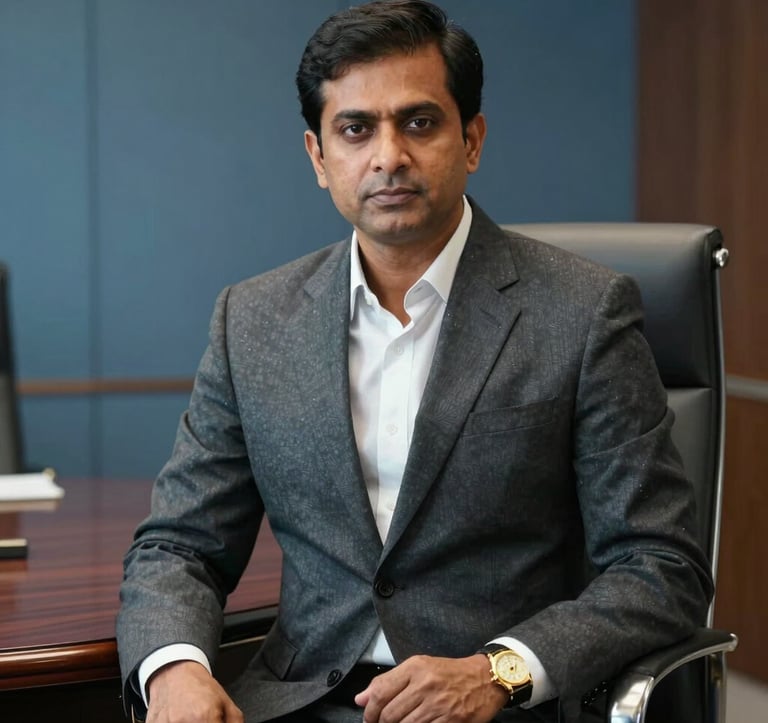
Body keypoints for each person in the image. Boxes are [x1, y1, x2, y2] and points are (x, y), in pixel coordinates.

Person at [116, 2, 713, 722]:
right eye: (356, 128)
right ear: (318, 158)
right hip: (302, 700)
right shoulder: (253, 321)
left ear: (472, 141)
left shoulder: (584, 312)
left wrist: (499, 671)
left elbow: (661, 567)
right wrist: (173, 670)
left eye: (419, 122)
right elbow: (179, 545)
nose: (388, 155)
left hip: (495, 706)